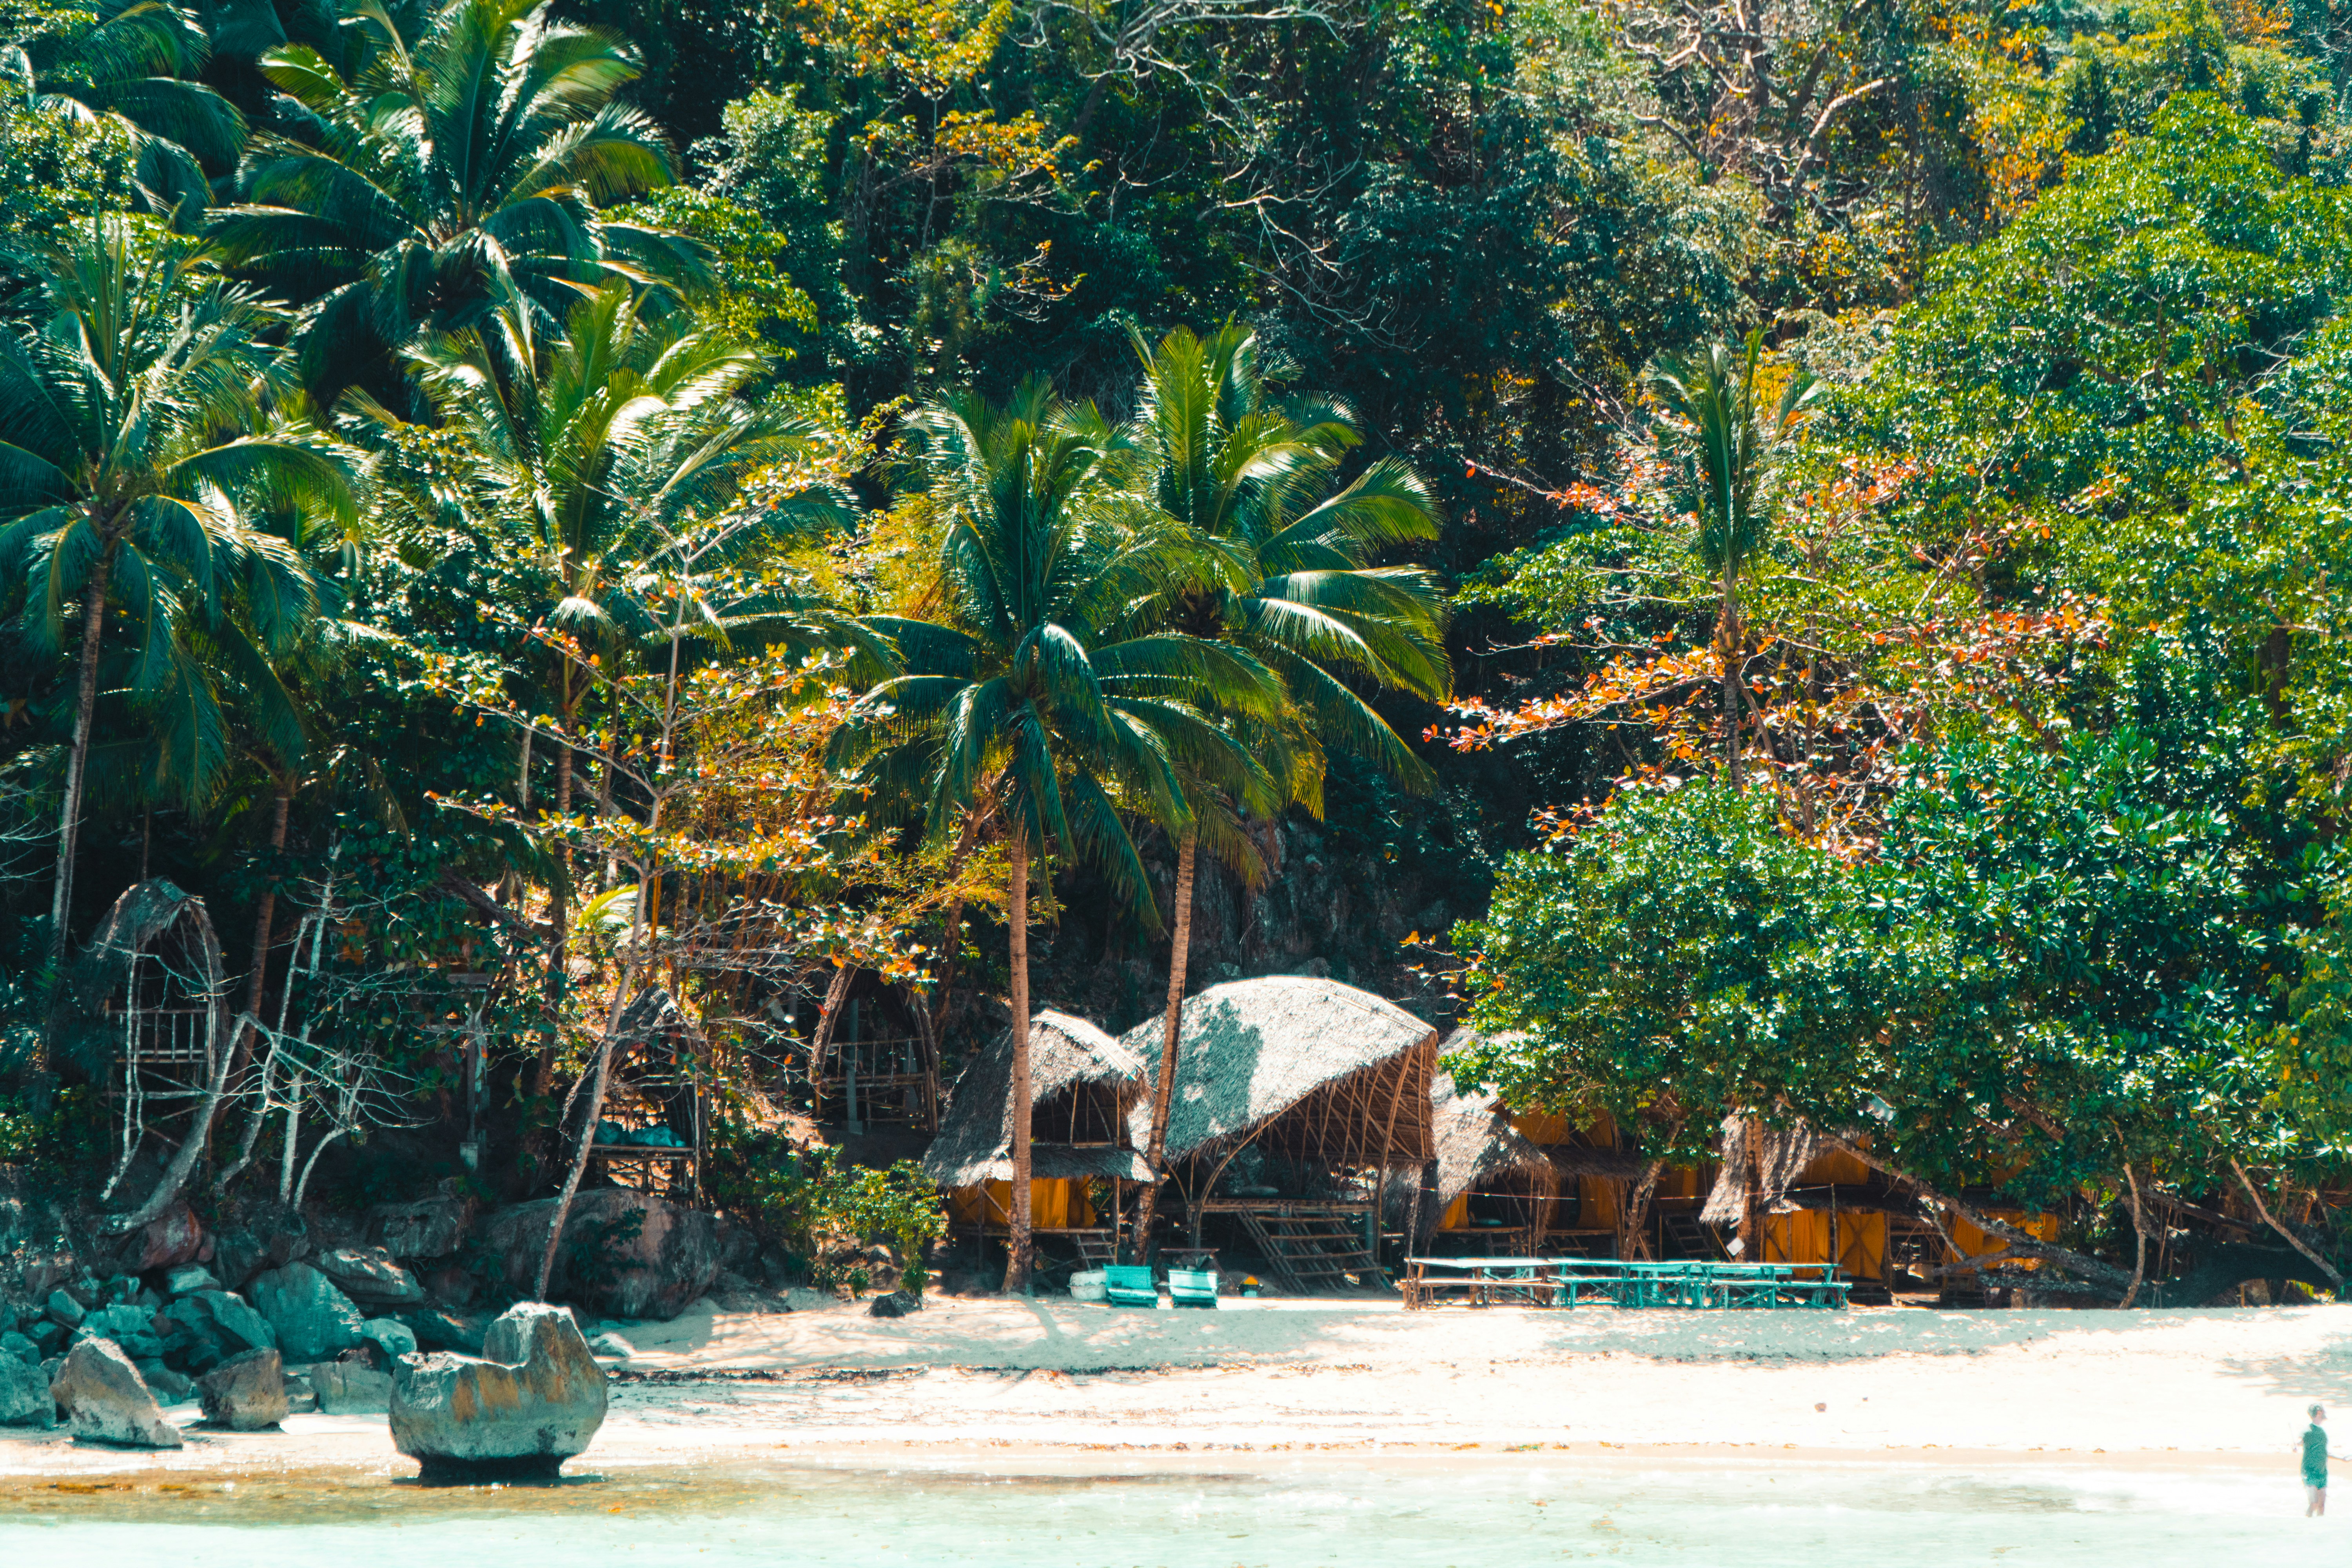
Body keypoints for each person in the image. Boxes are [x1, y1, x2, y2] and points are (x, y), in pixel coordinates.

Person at [2306, 1405, 2339, 1515]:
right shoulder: (2308, 1430)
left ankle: (2319, 1528)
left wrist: (2340, 1457)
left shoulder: (2322, 1432)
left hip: (2322, 1471)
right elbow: (2300, 1440)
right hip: (2310, 1472)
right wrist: (2296, 1446)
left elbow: (2324, 1452)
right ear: (2319, 1413)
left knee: (2321, 1505)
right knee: (2314, 1503)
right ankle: (2307, 1524)